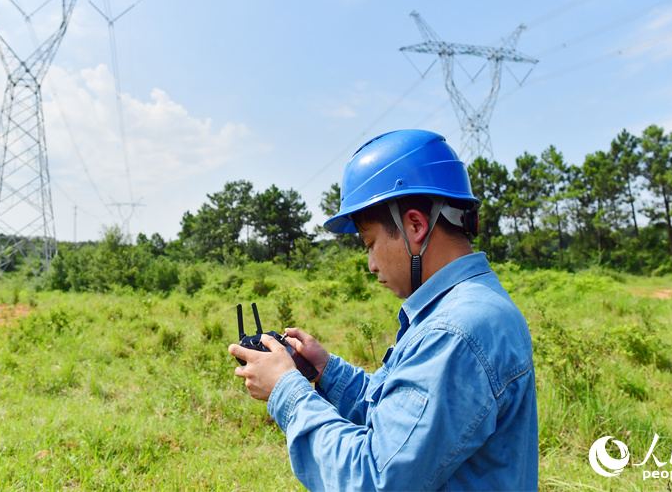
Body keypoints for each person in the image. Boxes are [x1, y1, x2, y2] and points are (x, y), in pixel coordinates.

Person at [229, 129, 538, 491]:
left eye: (371, 244)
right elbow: (399, 420)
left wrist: (286, 390)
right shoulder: (467, 306)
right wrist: (328, 372)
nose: (372, 264)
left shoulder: (455, 330)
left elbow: (373, 478)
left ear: (416, 225)